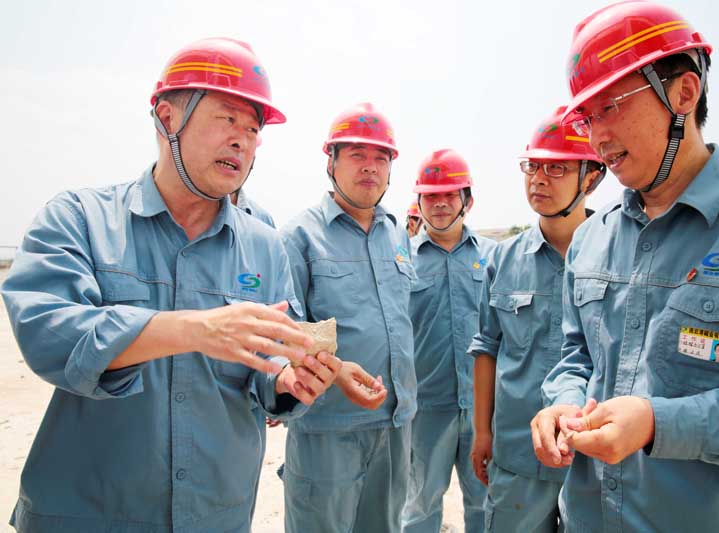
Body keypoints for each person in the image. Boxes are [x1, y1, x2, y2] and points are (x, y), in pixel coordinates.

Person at [0, 37, 343, 532]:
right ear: (167, 118)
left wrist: (287, 381)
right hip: (88, 515)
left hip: (216, 515)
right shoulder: (79, 219)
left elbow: (267, 366)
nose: (243, 141)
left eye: (253, 129)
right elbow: (49, 336)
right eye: (227, 119)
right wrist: (192, 330)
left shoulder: (266, 247)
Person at [531, 2, 719, 531]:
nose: (596, 137)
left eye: (610, 107)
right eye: (587, 118)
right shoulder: (591, 239)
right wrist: (562, 404)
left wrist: (659, 423)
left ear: (684, 92)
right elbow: (576, 356)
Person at [279, 102, 416, 533]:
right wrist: (336, 372)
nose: (370, 167)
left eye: (381, 158)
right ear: (331, 162)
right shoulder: (300, 236)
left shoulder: (397, 234)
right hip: (327, 428)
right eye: (357, 155)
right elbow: (285, 333)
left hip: (395, 424)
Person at [469, 107, 604, 532]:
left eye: (557, 168)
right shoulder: (503, 259)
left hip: (594, 462)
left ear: (591, 177)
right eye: (533, 166)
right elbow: (486, 349)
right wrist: (482, 432)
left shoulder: (616, 256)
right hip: (517, 458)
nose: (539, 179)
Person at [401, 149, 495, 533]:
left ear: (467, 201)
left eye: (449, 194)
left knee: (486, 503)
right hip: (426, 408)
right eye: (430, 195)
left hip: (484, 408)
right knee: (419, 505)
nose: (440, 203)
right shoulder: (401, 260)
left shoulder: (494, 256)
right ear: (419, 201)